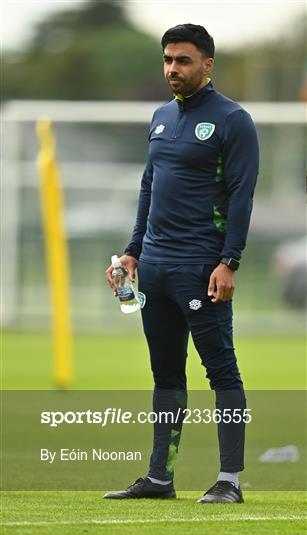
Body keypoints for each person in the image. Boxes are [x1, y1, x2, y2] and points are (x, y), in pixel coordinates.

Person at [105, 23, 259, 503]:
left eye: (184, 60)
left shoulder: (233, 120)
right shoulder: (159, 117)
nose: (173, 69)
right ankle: (160, 477)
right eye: (168, 60)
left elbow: (241, 195)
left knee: (222, 372)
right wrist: (133, 251)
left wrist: (229, 260)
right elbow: (149, 188)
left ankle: (229, 481)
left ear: (207, 64)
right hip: (155, 268)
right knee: (166, 375)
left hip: (202, 266)